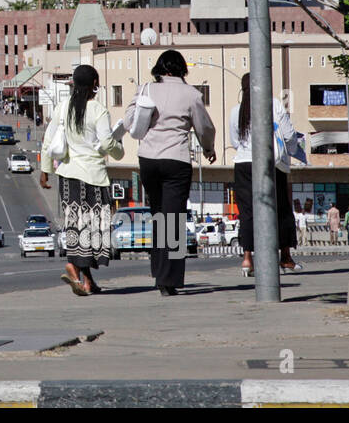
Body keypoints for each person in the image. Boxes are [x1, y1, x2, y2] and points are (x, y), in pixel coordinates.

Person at [123, 49, 215, 296]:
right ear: (182, 69)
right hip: (176, 160)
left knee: (158, 216)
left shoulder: (145, 89)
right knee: (173, 220)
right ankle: (168, 279)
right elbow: (204, 127)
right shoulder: (192, 94)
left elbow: (128, 120)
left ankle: (158, 271)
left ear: (160, 68)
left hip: (148, 159)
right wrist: (208, 149)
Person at [39, 64, 123, 297]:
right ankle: (73, 267)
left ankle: (87, 281)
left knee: (76, 227)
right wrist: (119, 151)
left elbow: (48, 140)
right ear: (95, 84)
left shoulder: (62, 107)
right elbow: (107, 144)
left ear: (74, 84)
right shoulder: (98, 110)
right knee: (94, 230)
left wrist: (45, 170)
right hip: (93, 177)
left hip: (67, 175)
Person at [229, 73, 301, 275]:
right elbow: (288, 135)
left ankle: (247, 259)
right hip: (270, 163)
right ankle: (285, 257)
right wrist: (292, 151)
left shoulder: (236, 111)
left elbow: (235, 142)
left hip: (243, 164)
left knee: (247, 213)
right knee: (281, 209)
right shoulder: (274, 104)